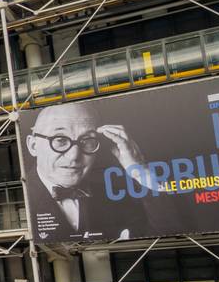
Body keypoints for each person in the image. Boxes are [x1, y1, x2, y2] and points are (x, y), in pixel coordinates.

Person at [23, 102, 158, 243]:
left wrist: (139, 170)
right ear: (33, 146)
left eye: (87, 140)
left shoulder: (114, 197)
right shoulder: (18, 197)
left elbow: (166, 231)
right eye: (60, 140)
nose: (74, 156)